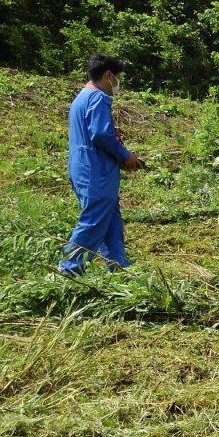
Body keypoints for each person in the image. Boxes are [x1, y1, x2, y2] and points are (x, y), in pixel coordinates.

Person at [59, 54, 143, 276]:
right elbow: (101, 135)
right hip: (96, 171)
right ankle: (70, 266)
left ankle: (118, 265)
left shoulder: (81, 98)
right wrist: (125, 156)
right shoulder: (98, 98)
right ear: (108, 75)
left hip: (85, 166)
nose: (117, 84)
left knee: (110, 219)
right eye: (116, 78)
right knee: (95, 220)